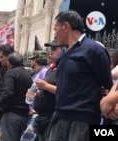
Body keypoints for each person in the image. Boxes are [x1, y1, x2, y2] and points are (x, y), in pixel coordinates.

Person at [48, 10, 113, 141]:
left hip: (82, 122)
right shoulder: (63, 54)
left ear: (65, 26)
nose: (54, 35)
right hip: (59, 118)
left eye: (55, 29)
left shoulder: (94, 50)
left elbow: (109, 85)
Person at [0, 52, 33, 141]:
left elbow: (7, 93)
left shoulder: (11, 73)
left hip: (11, 115)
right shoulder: (28, 75)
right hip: (23, 115)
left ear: (9, 63)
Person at [31, 40, 61, 141]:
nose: (50, 52)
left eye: (54, 49)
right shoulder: (51, 68)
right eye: (50, 49)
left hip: (52, 117)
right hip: (42, 116)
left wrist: (45, 86)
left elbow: (66, 91)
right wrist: (39, 92)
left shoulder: (64, 68)